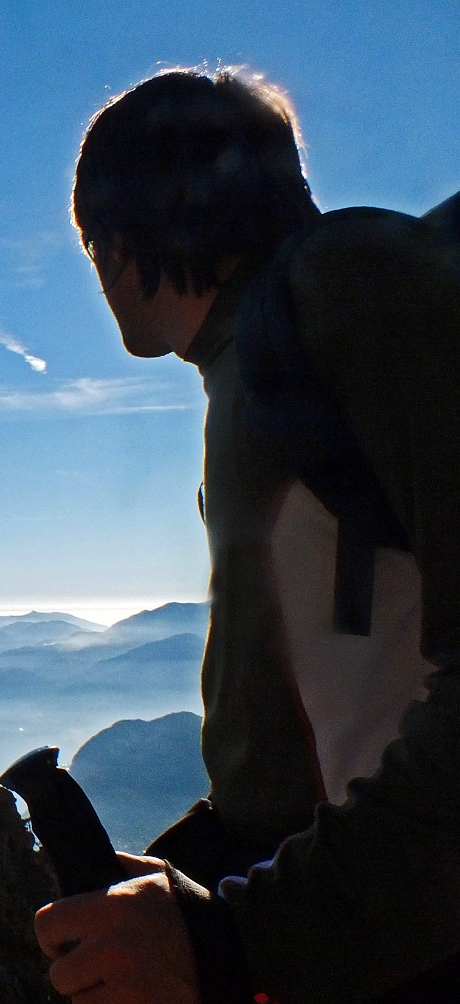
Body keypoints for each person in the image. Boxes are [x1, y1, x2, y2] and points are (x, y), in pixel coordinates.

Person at [33, 67, 460, 1003]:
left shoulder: (346, 286)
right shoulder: (262, 350)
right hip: (334, 896)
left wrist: (241, 940)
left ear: (136, 228)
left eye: (95, 242)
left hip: (399, 942)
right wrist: (194, 873)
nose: (99, 274)